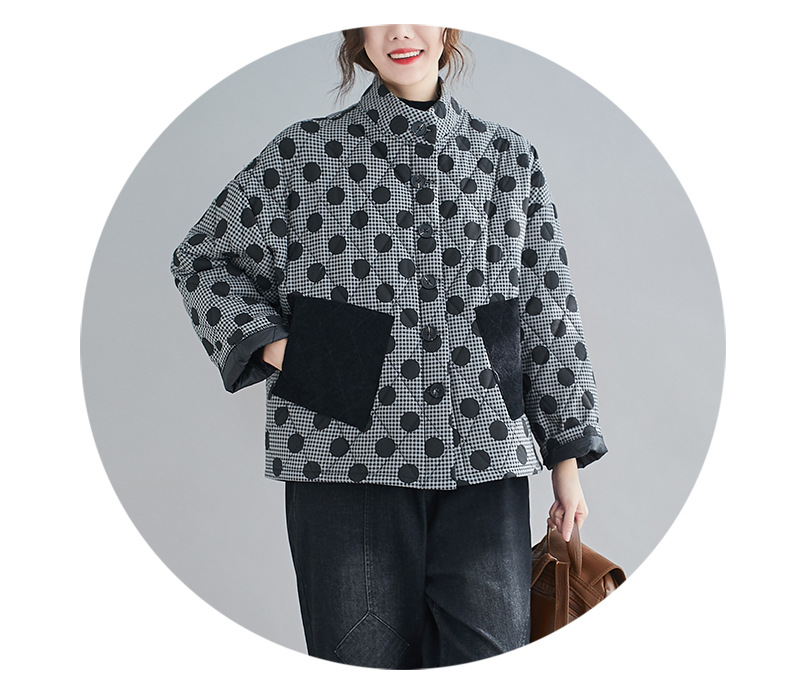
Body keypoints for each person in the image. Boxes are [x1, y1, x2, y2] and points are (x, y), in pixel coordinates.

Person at [170, 24, 607, 669]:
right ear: (357, 36)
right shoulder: (305, 150)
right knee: (360, 663)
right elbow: (205, 258)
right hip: (344, 454)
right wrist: (294, 354)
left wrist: (566, 465)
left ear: (449, 27)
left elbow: (547, 307)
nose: (400, 30)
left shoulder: (508, 157)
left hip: (484, 453)